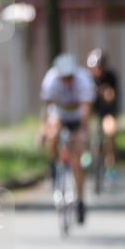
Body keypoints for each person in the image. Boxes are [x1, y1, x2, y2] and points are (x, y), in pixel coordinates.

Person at [40, 53, 95, 224]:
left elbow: (86, 111)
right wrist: (44, 130)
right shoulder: (50, 80)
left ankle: (80, 201)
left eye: (70, 77)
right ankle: (53, 165)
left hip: (77, 118)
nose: (67, 81)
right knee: (53, 134)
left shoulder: (84, 80)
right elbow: (47, 109)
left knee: (78, 160)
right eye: (64, 78)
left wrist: (84, 133)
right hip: (60, 116)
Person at [87, 48, 119, 183]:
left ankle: (110, 164)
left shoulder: (110, 77)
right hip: (92, 112)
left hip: (107, 112)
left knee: (110, 131)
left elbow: (111, 96)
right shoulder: (87, 79)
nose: (97, 70)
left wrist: (103, 92)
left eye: (99, 67)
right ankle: (87, 154)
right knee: (83, 130)